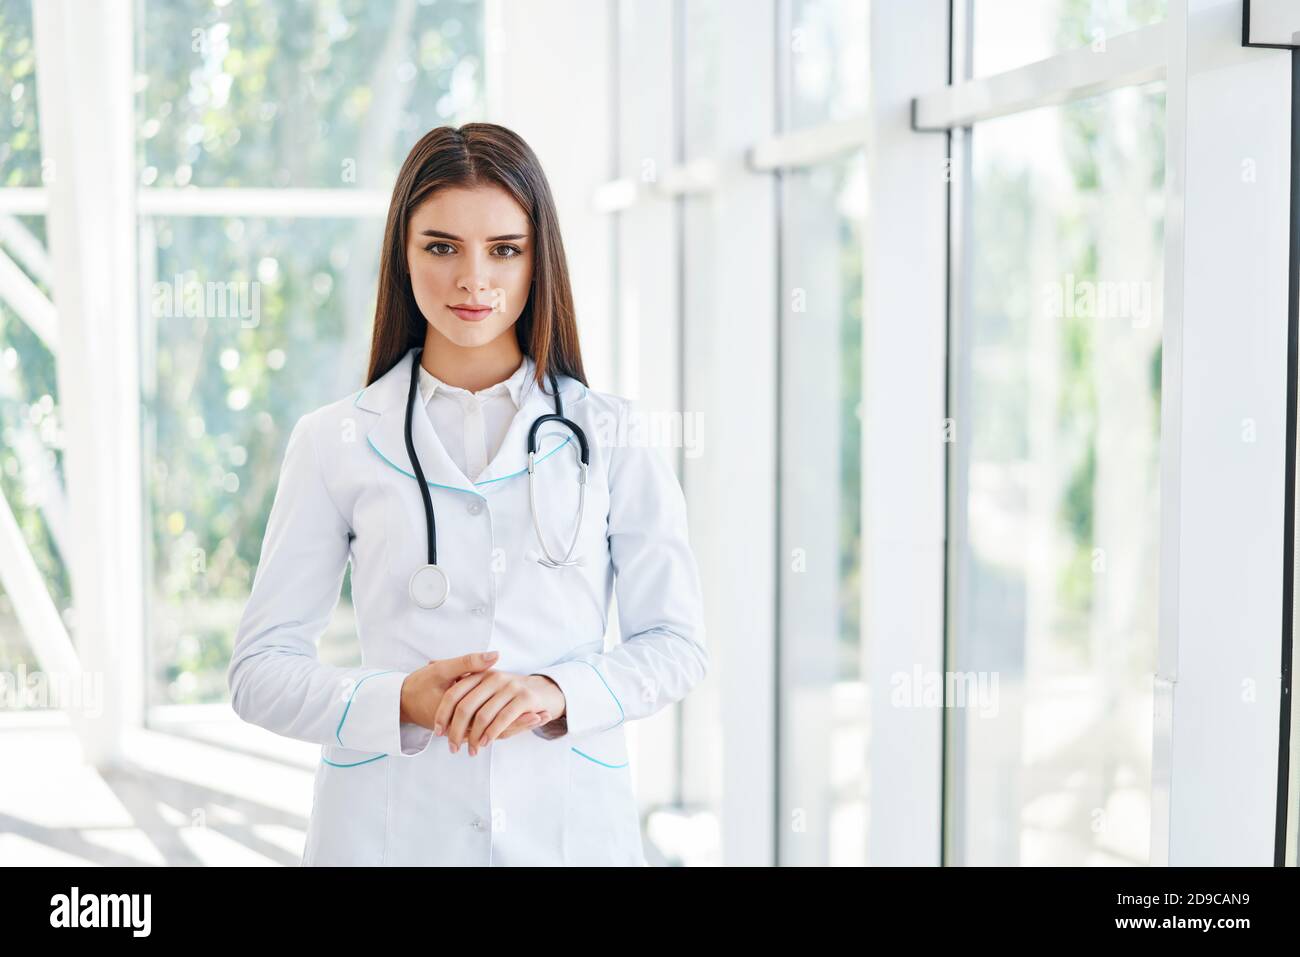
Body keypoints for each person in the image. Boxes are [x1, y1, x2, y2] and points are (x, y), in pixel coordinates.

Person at [226, 123, 709, 866]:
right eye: (442, 246)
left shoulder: (610, 434)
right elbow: (259, 671)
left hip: (569, 831)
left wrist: (556, 691)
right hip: (386, 832)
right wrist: (399, 702)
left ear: (537, 258)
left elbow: (676, 645)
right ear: (403, 253)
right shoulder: (334, 442)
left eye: (505, 250)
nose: (473, 280)